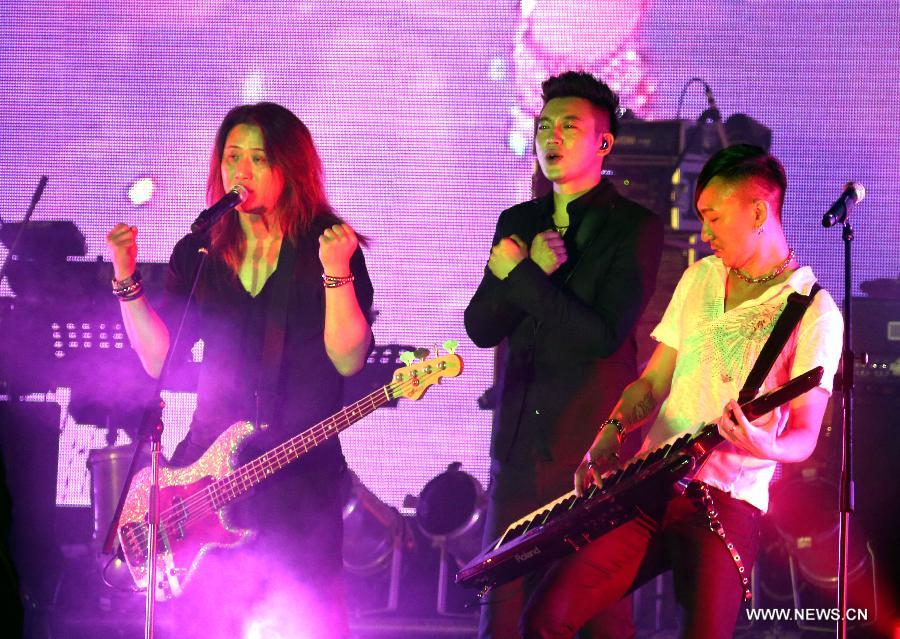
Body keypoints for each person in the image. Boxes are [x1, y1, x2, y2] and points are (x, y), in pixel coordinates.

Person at [521, 144, 844, 639]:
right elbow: (653, 381)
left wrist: (765, 446)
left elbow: (803, 434)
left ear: (758, 212)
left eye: (713, 217)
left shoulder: (813, 312)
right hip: (652, 480)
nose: (705, 232)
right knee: (547, 616)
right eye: (701, 218)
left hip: (727, 503)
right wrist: (610, 432)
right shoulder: (700, 278)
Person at [106, 102, 373, 638]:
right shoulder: (202, 251)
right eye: (232, 157)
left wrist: (337, 274)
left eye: (258, 158)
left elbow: (349, 358)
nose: (241, 172)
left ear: (289, 168)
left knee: (310, 619)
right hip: (208, 473)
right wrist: (126, 281)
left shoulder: (325, 245)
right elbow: (162, 361)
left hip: (298, 476)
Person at [464, 71, 664, 639]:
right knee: (498, 614)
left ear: (603, 143)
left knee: (594, 618)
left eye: (568, 126)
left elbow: (604, 335)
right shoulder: (517, 221)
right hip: (516, 451)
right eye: (543, 126)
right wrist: (521, 278)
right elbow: (480, 326)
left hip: (590, 456)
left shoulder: (634, 228)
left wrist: (527, 277)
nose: (550, 137)